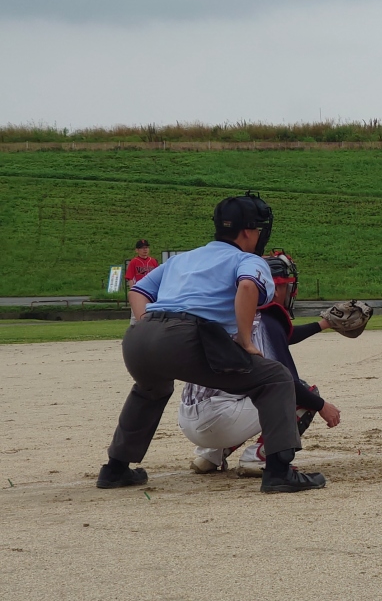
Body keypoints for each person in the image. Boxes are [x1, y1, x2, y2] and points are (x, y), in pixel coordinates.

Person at [95, 191, 326, 494]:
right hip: (186, 336)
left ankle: (115, 469)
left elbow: (138, 291)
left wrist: (149, 324)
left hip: (138, 339)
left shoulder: (184, 258)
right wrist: (245, 341)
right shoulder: (247, 259)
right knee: (276, 378)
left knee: (151, 390)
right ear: (248, 232)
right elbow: (247, 287)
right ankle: (279, 471)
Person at [179, 251, 342, 476]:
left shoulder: (230, 312)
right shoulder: (267, 320)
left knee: (244, 388)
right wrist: (322, 405)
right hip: (220, 422)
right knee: (296, 390)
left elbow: (282, 336)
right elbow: (289, 383)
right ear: (275, 289)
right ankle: (258, 457)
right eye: (287, 286)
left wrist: (323, 324)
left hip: (188, 419)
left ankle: (209, 455)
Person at [125, 239, 159, 324]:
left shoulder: (153, 261)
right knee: (135, 316)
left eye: (146, 247)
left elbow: (158, 277)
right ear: (137, 250)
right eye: (142, 248)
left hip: (152, 292)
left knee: (152, 314)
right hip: (140, 291)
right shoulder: (134, 262)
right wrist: (134, 293)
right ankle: (133, 331)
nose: (145, 250)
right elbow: (130, 278)